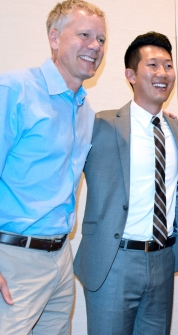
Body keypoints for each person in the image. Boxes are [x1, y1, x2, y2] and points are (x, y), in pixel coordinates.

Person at [73, 32, 178, 335]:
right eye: (152, 65)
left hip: (163, 259)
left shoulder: (177, 130)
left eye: (168, 65)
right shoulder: (100, 124)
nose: (162, 73)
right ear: (131, 74)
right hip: (114, 261)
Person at [0, 1, 106, 333]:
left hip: (61, 259)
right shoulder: (14, 89)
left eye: (101, 39)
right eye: (85, 34)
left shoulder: (85, 111)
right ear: (54, 37)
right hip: (13, 257)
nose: (95, 46)